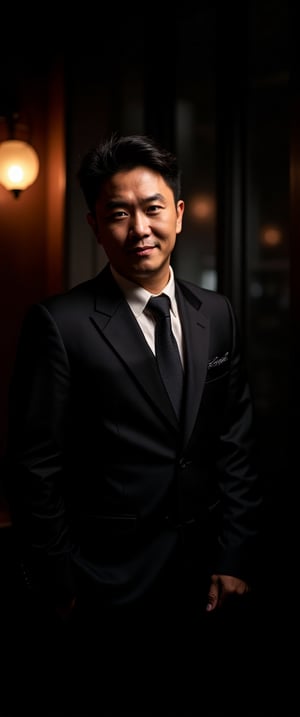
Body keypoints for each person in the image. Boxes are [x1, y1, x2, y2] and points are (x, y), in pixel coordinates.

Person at [4, 133, 262, 716]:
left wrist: (235, 556)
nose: (139, 228)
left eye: (152, 209)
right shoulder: (59, 323)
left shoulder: (216, 314)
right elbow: (33, 466)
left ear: (177, 213)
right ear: (96, 225)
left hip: (206, 585)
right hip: (105, 588)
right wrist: (60, 582)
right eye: (119, 214)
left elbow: (235, 446)